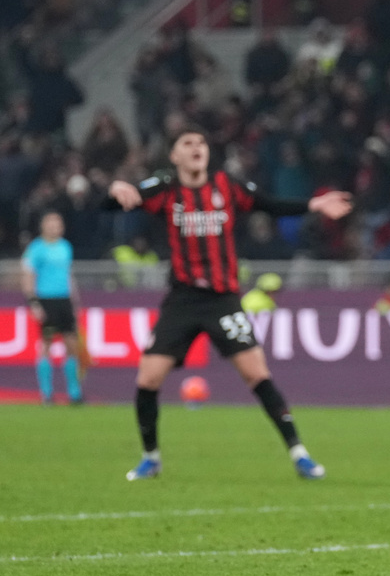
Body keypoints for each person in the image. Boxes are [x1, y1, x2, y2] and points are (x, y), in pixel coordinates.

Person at [106, 126, 352, 481]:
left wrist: (313, 205)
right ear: (174, 156)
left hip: (222, 300)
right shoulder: (164, 187)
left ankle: (300, 454)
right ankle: (151, 458)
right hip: (183, 299)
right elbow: (121, 200)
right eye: (187, 143)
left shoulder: (227, 185)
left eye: (201, 142)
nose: (197, 147)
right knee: (148, 378)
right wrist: (116, 189)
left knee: (257, 374)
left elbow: (269, 204)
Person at [21, 211, 83, 404]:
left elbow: (68, 275)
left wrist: (74, 302)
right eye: (51, 223)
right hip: (46, 300)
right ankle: (46, 392)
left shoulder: (66, 247)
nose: (55, 227)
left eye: (58, 223)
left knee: (71, 344)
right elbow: (28, 276)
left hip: (64, 300)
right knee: (46, 343)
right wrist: (34, 303)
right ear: (43, 226)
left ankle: (74, 392)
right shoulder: (36, 248)